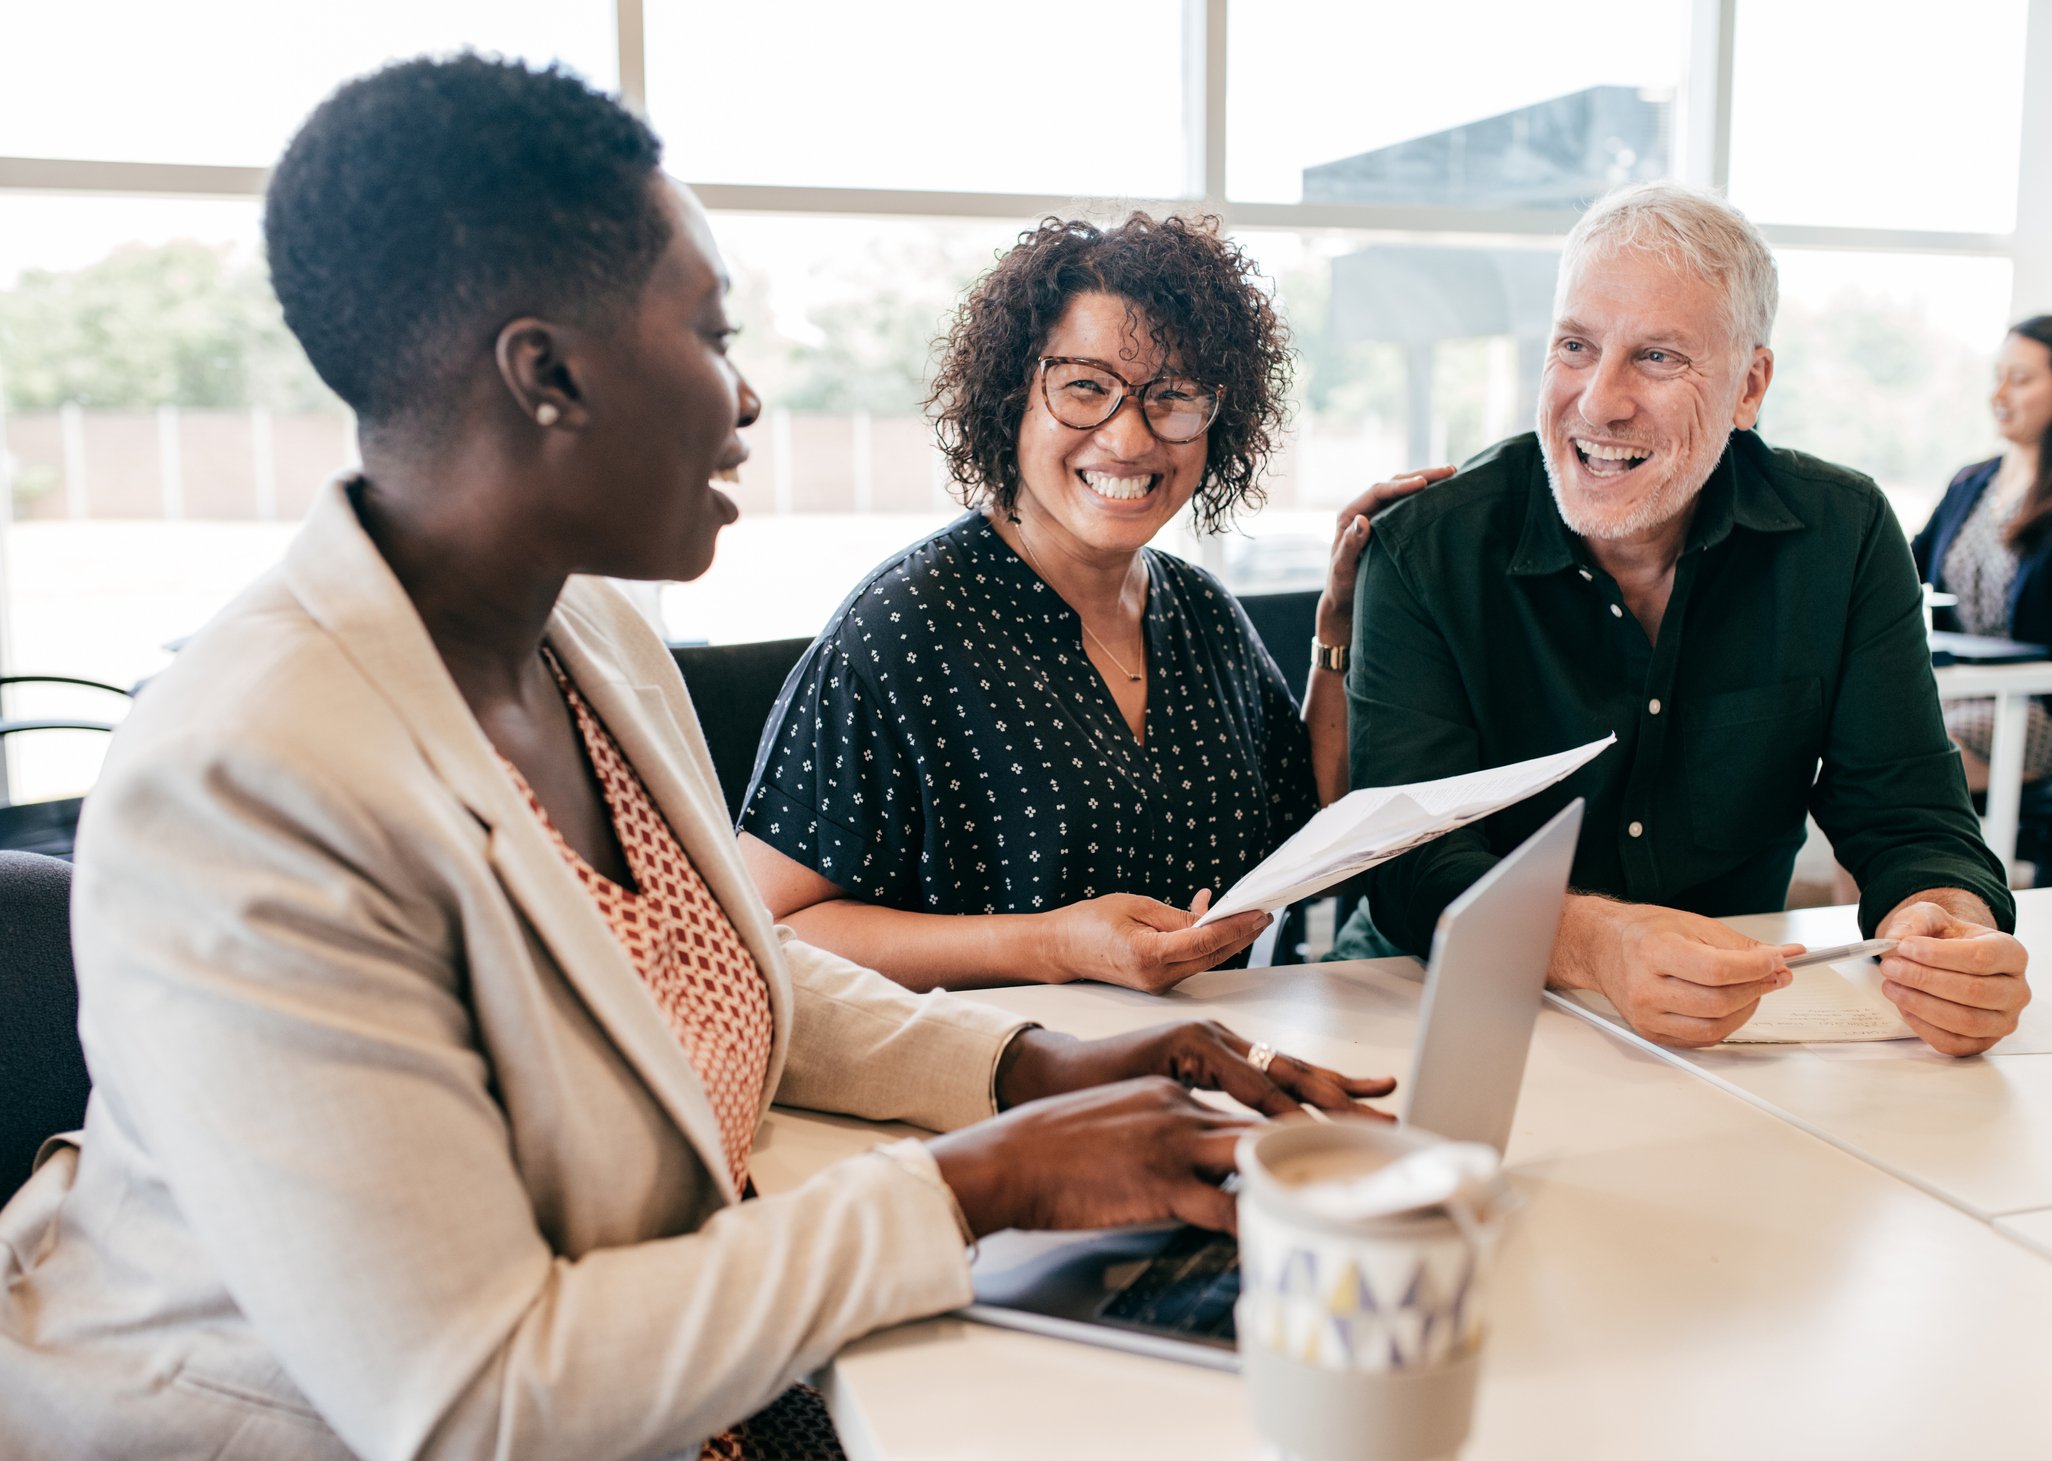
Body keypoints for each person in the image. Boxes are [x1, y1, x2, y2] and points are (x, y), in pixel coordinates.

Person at [0, 57, 1398, 1460]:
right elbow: (476, 1400)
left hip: (698, 1376)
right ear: (548, 372)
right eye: (713, 334)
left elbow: (714, 960)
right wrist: (979, 1185)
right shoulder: (244, 780)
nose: (747, 402)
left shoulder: (586, 632)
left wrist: (1040, 1070)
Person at [1339, 180, 2032, 1057]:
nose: (1598, 401)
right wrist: (1599, 944)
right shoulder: (1425, 550)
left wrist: (1949, 929)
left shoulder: (1844, 534)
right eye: (1575, 346)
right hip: (1439, 994)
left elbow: (1911, 821)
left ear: (1749, 386)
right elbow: (1413, 864)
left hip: (1728, 1021)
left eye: (1658, 357)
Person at [739, 214, 1447, 993]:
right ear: (1013, 396)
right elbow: (773, 929)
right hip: (995, 1085)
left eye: (1172, 396)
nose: (1130, 437)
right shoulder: (900, 632)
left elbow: (1309, 816)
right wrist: (1049, 944)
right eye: (1086, 387)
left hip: (1206, 1063)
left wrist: (1338, 626)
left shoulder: (1200, 612)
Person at [1912, 316, 2052, 791]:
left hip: (2034, 706)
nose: (1999, 396)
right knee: (1857, 752)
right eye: (1998, 378)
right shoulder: (1970, 482)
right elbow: (1899, 568)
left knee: (1909, 764)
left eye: (2021, 380)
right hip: (1958, 690)